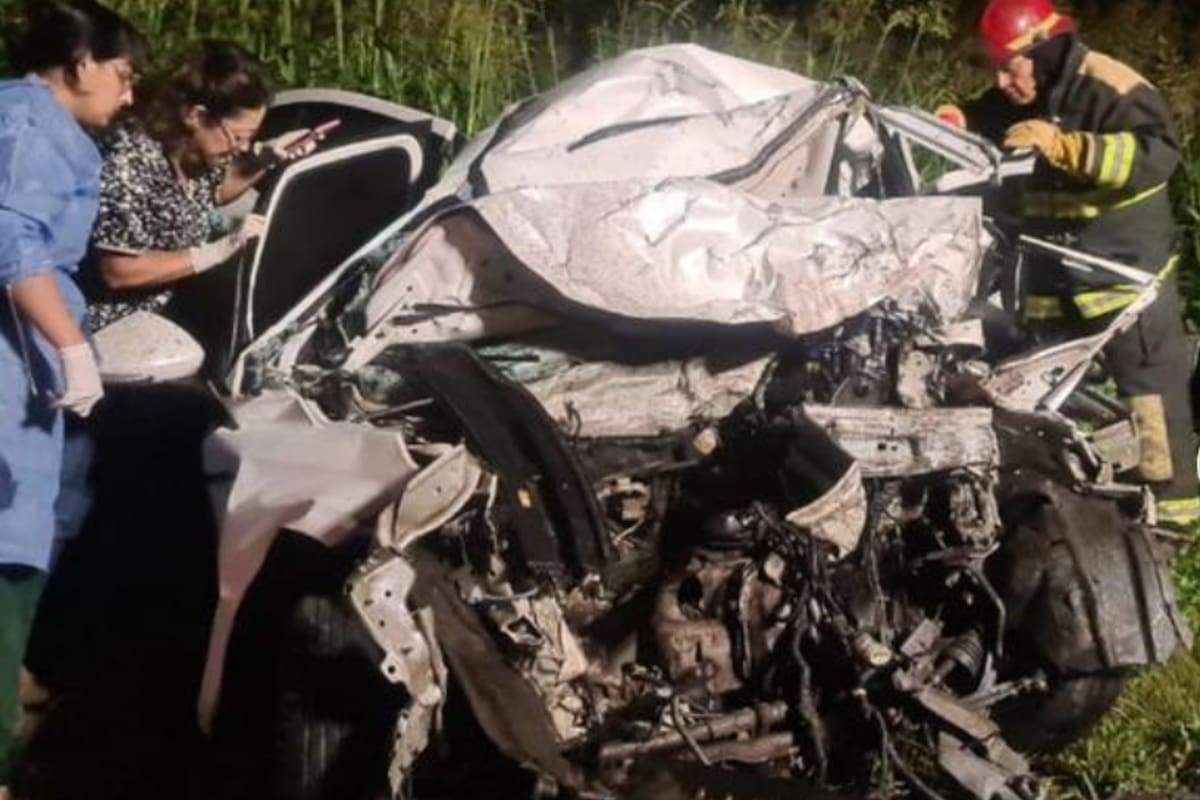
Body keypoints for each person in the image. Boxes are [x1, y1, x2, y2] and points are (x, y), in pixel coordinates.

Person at [940, 0, 1200, 532]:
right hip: (1052, 279)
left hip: (1123, 278)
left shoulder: (1111, 87)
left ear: (1043, 50)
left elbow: (1155, 157)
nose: (1002, 79)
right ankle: (1050, 506)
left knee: (1151, 403)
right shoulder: (1027, 89)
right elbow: (985, 113)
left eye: (1008, 65)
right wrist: (955, 120)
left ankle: (1171, 527)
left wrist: (1068, 148)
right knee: (1037, 398)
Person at [0, 0, 143, 786]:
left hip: (19, 373)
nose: (127, 96)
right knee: (4, 552)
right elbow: (10, 242)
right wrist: (69, 345)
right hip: (10, 365)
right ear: (81, 63)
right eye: (123, 76)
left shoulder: (33, 125)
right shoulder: (26, 125)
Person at [85, 39, 321, 330]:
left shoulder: (194, 152)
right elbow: (119, 271)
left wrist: (265, 161)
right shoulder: (128, 161)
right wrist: (214, 252)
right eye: (237, 136)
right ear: (196, 116)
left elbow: (214, 192)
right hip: (114, 325)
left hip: (171, 307)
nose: (243, 147)